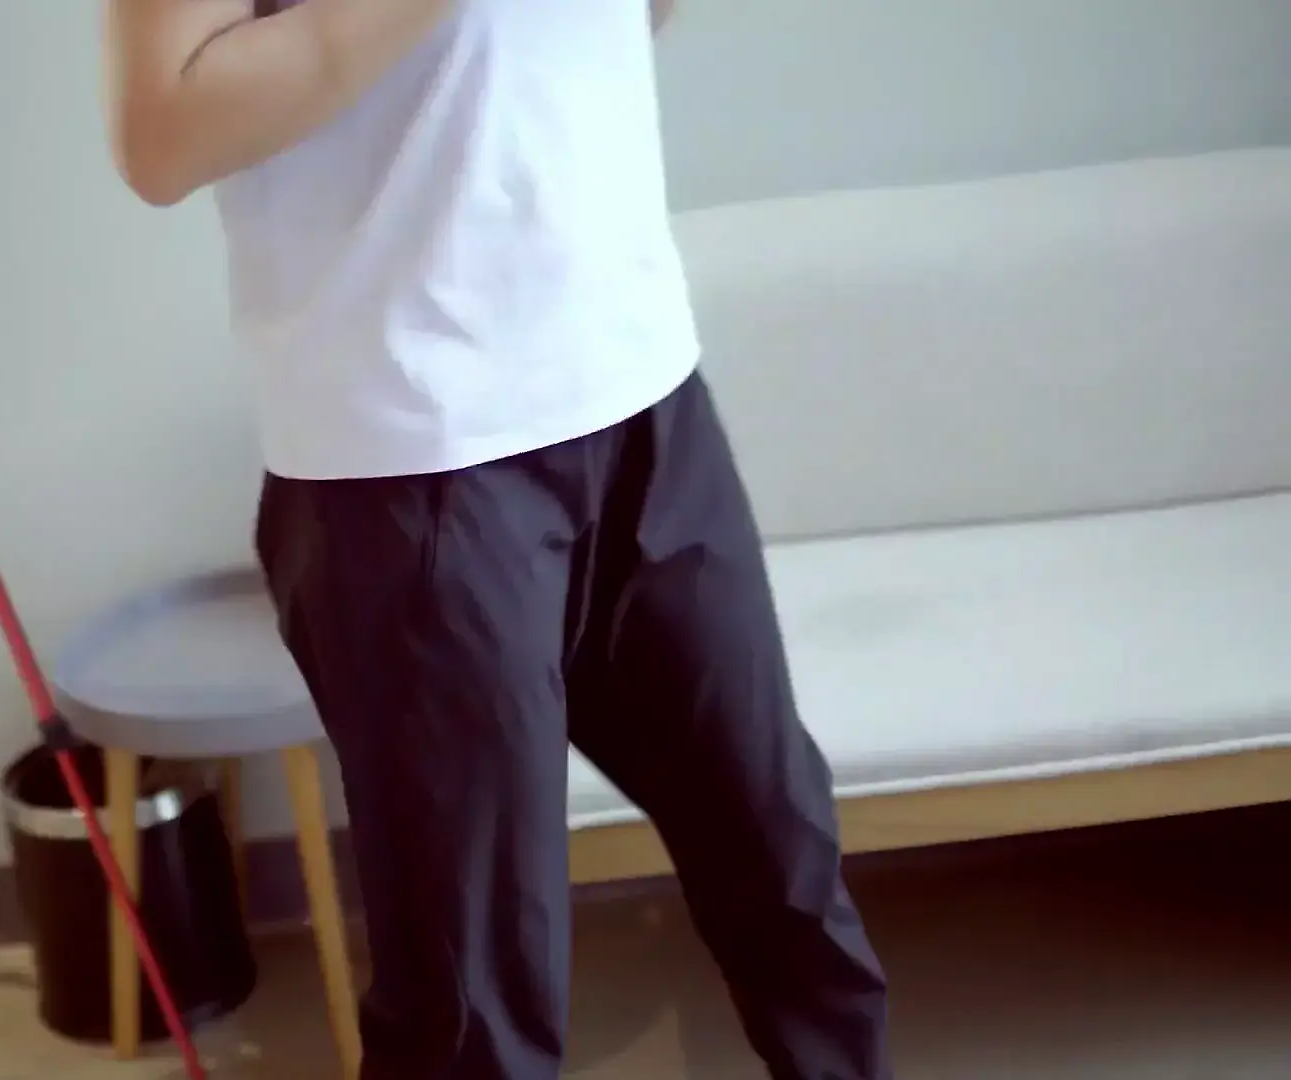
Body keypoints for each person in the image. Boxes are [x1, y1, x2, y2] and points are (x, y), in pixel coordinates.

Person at [100, 2, 892, 1077]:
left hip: (642, 392)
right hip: (414, 453)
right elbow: (161, 136)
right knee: (472, 1015)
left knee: (785, 872)